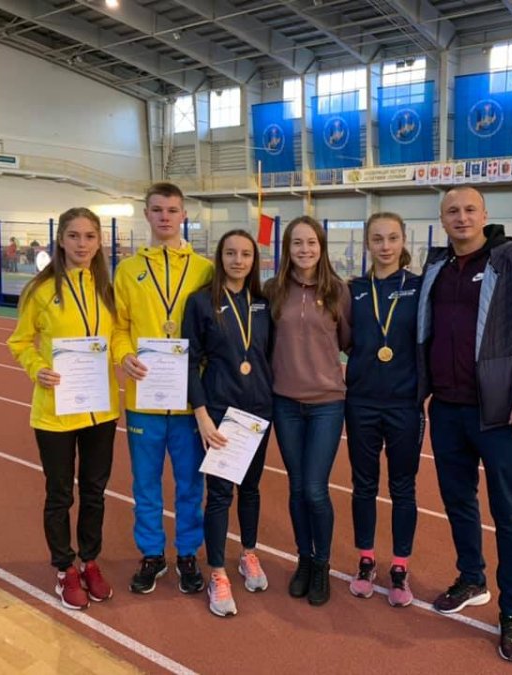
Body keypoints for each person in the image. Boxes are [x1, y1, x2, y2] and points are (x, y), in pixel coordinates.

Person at [416, 187, 512, 663]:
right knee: (458, 502)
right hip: (446, 410)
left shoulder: (511, 261)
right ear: (442, 219)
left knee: (510, 515)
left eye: (469, 210)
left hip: (498, 414)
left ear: (485, 215)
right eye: (452, 211)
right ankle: (471, 579)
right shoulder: (436, 266)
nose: (461, 217)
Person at [7, 207, 121, 611]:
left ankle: (89, 561)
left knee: (94, 492)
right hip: (55, 412)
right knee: (59, 495)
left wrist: (124, 357)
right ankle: (64, 569)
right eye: (74, 236)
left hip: (101, 410)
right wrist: (37, 369)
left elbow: (117, 337)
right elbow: (20, 342)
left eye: (89, 236)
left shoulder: (107, 288)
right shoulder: (40, 291)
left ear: (99, 241)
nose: (82, 244)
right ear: (60, 240)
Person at [114, 182, 213, 595]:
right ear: (147, 214)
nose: (165, 217)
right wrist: (123, 355)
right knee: (146, 484)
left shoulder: (205, 269)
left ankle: (188, 553)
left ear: (184, 214)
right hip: (145, 399)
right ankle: (152, 554)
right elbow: (119, 327)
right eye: (157, 210)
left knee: (190, 484)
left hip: (190, 402)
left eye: (172, 210)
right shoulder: (127, 270)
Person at [182, 229, 273, 617]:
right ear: (220, 258)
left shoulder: (264, 303)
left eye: (246, 254)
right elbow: (189, 362)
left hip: (259, 411)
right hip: (221, 412)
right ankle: (218, 573)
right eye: (231, 253)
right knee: (220, 494)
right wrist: (201, 414)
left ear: (255, 260)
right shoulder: (201, 302)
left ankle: (248, 554)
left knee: (250, 489)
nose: (238, 260)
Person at [264, 215, 351, 607]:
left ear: (321, 247)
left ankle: (321, 564)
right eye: (297, 243)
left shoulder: (337, 291)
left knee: (315, 489)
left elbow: (349, 342)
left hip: (326, 404)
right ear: (287, 249)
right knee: (297, 487)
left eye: (311, 242)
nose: (304, 250)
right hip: (284, 403)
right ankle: (304, 558)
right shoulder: (273, 290)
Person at [345, 212, 423, 608]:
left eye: (392, 238)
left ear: (403, 240)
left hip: (405, 405)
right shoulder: (354, 290)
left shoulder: (419, 287)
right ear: (367, 244)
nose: (385, 246)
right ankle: (365, 560)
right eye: (377, 239)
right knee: (364, 485)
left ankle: (400, 566)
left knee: (403, 487)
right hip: (361, 403)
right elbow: (343, 339)